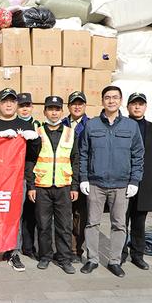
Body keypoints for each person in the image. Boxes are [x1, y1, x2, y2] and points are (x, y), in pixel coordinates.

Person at [79, 85, 144, 278]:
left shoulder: (130, 126)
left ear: (120, 101)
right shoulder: (91, 125)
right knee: (92, 223)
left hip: (121, 185)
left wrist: (134, 180)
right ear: (102, 101)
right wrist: (83, 178)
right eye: (107, 97)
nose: (111, 101)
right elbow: (83, 153)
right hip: (96, 183)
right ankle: (92, 259)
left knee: (119, 225)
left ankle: (115, 261)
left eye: (115, 98)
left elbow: (138, 155)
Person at [0, 88, 41, 272]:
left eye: (12, 101)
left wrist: (34, 140)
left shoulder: (25, 125)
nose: (9, 104)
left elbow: (33, 156)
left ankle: (12, 252)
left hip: (16, 180)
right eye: (5, 101)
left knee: (14, 216)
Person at [29, 96, 79, 274]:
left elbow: (76, 161)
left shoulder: (70, 133)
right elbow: (30, 161)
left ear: (62, 111)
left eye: (57, 109)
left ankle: (64, 259)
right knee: (43, 225)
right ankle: (45, 256)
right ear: (44, 112)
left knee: (64, 225)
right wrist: (31, 186)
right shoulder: (37, 133)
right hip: (42, 185)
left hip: (63, 186)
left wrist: (74, 186)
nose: (54, 112)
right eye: (50, 109)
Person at [123, 92, 152, 270]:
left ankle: (137, 255)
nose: (137, 107)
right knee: (121, 221)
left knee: (139, 222)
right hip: (124, 181)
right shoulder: (121, 126)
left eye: (141, 104)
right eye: (134, 104)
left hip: (145, 182)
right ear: (128, 107)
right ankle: (120, 254)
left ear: (146, 107)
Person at [61, 91, 90, 263]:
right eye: (74, 104)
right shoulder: (62, 124)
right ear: (69, 106)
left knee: (81, 215)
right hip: (64, 174)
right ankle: (66, 248)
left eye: (80, 103)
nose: (77, 107)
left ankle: (77, 249)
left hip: (83, 174)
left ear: (85, 106)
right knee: (65, 214)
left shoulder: (91, 124)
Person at [16, 92, 40, 259]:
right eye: (21, 106)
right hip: (14, 174)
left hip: (33, 174)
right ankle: (14, 246)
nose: (24, 109)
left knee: (31, 215)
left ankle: (29, 247)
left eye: (27, 106)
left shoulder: (38, 125)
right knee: (16, 214)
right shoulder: (12, 123)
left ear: (32, 107)